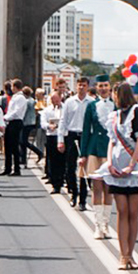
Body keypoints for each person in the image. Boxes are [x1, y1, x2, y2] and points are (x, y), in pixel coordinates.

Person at [101, 83, 138, 270]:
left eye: (115, 93)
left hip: (134, 168)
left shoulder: (136, 112)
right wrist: (109, 163)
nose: (113, 97)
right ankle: (122, 255)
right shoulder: (113, 116)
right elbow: (112, 142)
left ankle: (131, 254)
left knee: (133, 212)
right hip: (117, 168)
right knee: (121, 210)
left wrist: (132, 164)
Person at [80, 76, 116, 238]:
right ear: (96, 87)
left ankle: (106, 224)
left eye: (106, 85)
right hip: (94, 148)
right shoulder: (91, 106)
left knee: (109, 187)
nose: (103, 88)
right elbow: (86, 131)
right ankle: (98, 225)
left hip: (111, 150)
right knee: (97, 187)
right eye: (100, 86)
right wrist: (83, 154)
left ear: (110, 87)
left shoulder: (116, 105)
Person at [59, 77, 91, 210]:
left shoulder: (92, 102)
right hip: (72, 135)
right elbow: (63, 121)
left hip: (86, 136)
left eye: (84, 85)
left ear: (88, 87)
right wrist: (60, 140)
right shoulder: (69, 102)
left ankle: (83, 199)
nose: (81, 87)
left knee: (84, 168)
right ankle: (73, 193)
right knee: (70, 167)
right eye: (79, 85)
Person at [2, 83, 28, 176]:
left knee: (14, 145)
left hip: (16, 121)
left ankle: (16, 168)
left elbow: (16, 111)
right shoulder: (14, 97)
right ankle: (7, 167)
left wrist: (6, 117)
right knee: (8, 145)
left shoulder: (20, 98)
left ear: (16, 87)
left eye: (12, 86)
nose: (11, 88)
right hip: (10, 121)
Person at [41, 92, 64, 193]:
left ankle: (63, 179)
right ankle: (55, 183)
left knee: (63, 160)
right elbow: (43, 122)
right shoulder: (47, 110)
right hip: (51, 136)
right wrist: (48, 126)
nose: (55, 101)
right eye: (53, 99)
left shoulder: (65, 108)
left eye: (57, 99)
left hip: (63, 136)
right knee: (53, 160)